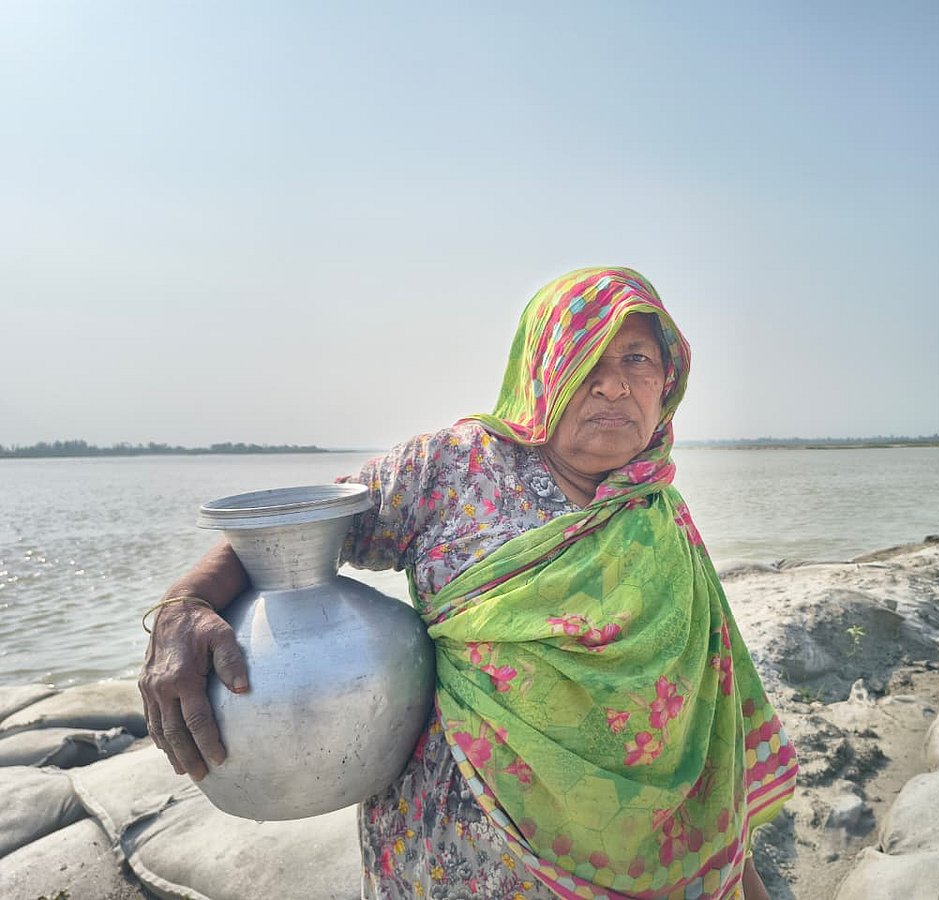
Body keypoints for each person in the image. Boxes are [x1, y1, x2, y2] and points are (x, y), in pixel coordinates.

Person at [140, 267, 798, 900]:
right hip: (462, 851)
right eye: (584, 355)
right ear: (540, 369)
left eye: (637, 359)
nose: (612, 385)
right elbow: (294, 533)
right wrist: (185, 605)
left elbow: (708, 711)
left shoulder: (660, 515)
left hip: (655, 854)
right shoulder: (452, 467)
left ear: (667, 380)